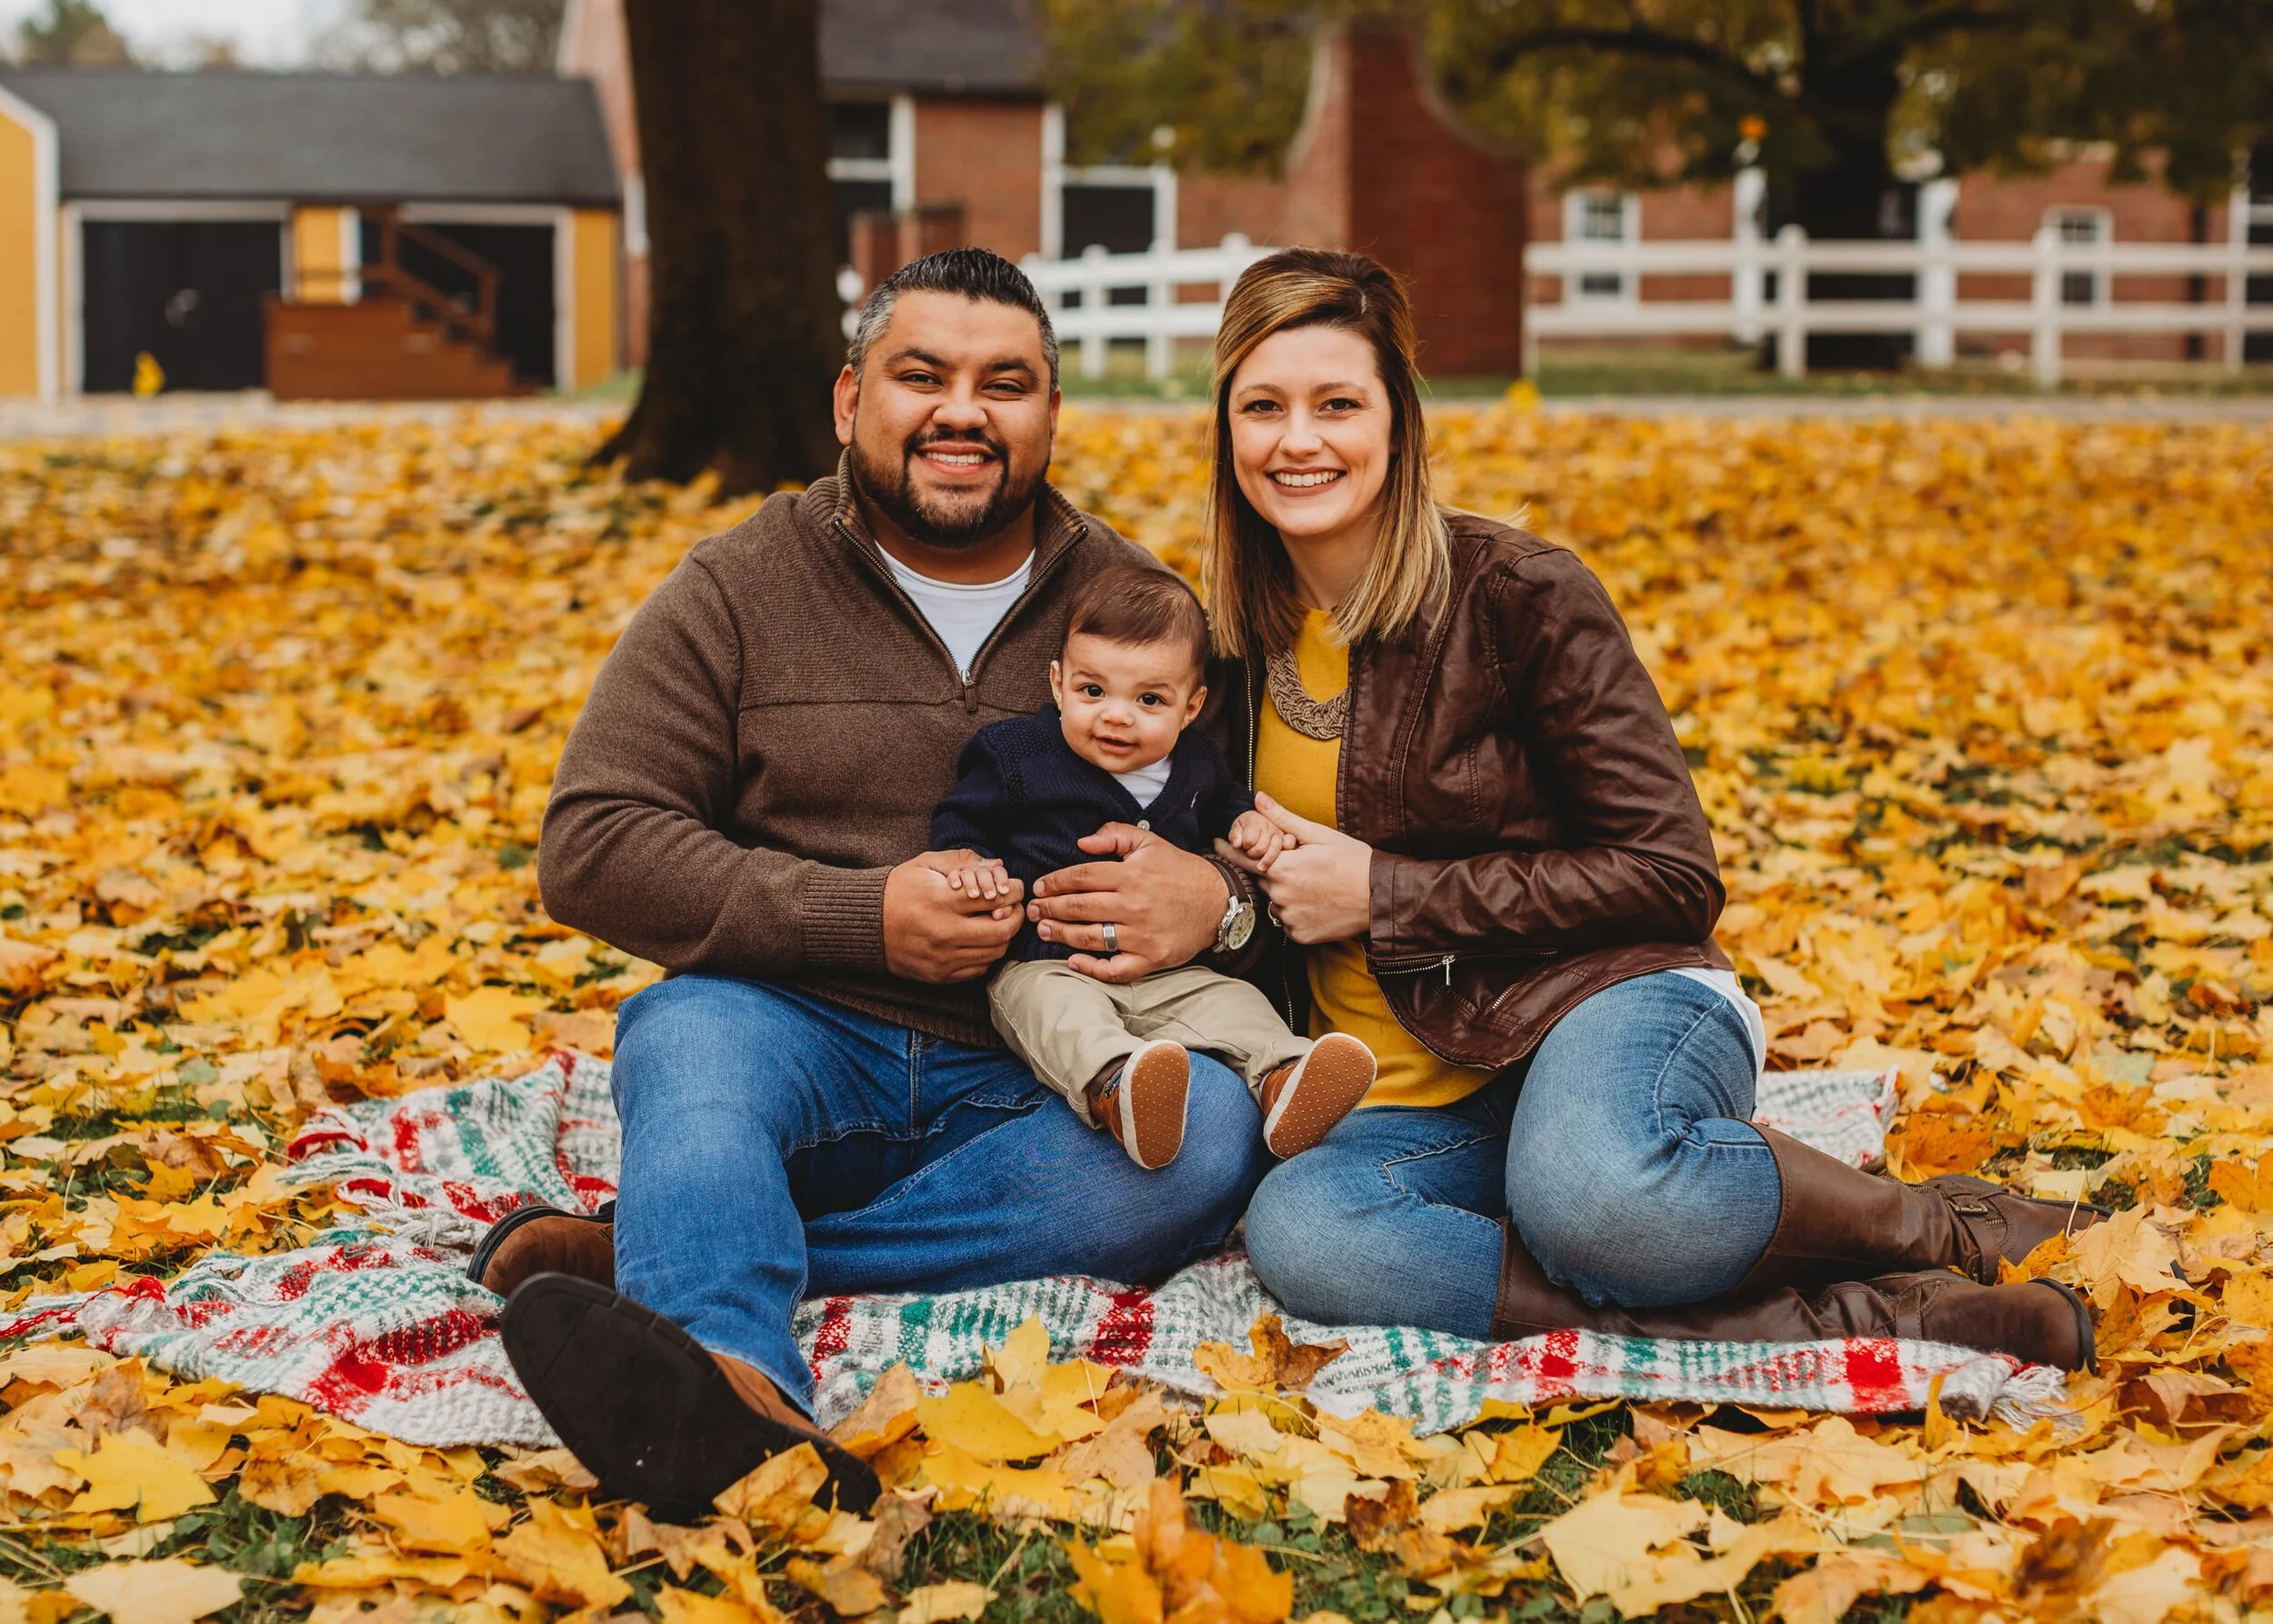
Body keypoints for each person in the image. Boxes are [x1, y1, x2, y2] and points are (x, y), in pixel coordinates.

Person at [1204, 248, 2107, 1368]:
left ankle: (1939, 1224)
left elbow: (1671, 871)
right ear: (1225, 429)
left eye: (1337, 402)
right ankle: (1886, 1317)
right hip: (1409, 1100)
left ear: (1399, 420)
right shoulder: (1219, 647)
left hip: (1605, 1002)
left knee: (1591, 1192)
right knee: (1306, 1235)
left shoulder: (1518, 594)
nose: (1299, 440)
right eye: (1263, 406)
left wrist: (1385, 895)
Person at [478, 248, 1271, 1519]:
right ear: (852, 401)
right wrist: (860, 913)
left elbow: (1255, 825)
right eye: (923, 375)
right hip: (790, 1034)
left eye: (1004, 383)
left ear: (1050, 418)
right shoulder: (737, 588)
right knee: (684, 1035)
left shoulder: (1136, 610)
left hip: (1042, 1062)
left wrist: (1217, 903)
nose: (964, 410)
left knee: (1208, 1140)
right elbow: (592, 840)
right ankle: (737, 1379)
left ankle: (670, 1259)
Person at [932, 563, 1377, 1170]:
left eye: (1149, 699)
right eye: (1094, 691)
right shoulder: (1017, 757)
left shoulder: (1196, 761)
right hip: (1046, 963)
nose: (1118, 715)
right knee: (1059, 1018)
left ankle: (1285, 1077)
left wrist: (1247, 823)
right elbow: (962, 819)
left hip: (1167, 971)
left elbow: (1224, 805)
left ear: (1190, 706)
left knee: (1231, 1002)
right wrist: (968, 861)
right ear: (1058, 685)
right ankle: (1119, 1087)